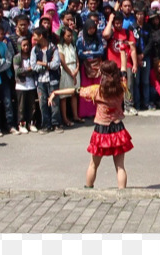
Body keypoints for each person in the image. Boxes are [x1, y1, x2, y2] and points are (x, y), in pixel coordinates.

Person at [49, 59, 134, 189]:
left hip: (101, 129)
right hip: (118, 128)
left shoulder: (96, 91)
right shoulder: (121, 87)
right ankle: (122, 192)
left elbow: (75, 91)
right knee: (120, 166)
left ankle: (88, 188)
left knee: (93, 164)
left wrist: (55, 92)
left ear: (103, 74)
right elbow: (123, 69)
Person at [103, 11, 138, 114]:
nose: (118, 25)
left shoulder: (128, 32)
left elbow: (133, 49)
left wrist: (135, 64)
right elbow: (105, 35)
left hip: (126, 63)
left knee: (128, 85)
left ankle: (129, 106)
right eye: (116, 23)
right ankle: (114, 106)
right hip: (113, 64)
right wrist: (110, 20)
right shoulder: (111, 32)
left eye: (120, 23)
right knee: (112, 86)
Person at [31, 27, 63, 133]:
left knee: (54, 102)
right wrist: (47, 66)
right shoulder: (35, 50)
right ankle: (46, 124)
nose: (33, 37)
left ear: (41, 36)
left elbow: (56, 64)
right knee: (42, 103)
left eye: (35, 35)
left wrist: (44, 64)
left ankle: (56, 124)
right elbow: (34, 66)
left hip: (53, 79)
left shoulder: (53, 48)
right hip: (40, 80)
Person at [77, 20, 106, 118]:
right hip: (86, 66)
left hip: (97, 66)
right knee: (86, 89)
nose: (92, 30)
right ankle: (86, 112)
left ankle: (98, 110)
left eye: (93, 28)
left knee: (98, 88)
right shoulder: (81, 40)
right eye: (90, 28)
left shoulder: (97, 38)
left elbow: (101, 51)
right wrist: (93, 53)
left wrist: (89, 53)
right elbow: (80, 53)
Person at [57, 27, 82, 127]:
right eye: (68, 36)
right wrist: (71, 73)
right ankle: (65, 118)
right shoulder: (60, 46)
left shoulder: (72, 45)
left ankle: (75, 116)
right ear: (63, 36)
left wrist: (76, 69)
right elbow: (62, 61)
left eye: (71, 35)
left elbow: (77, 59)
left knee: (74, 94)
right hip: (66, 71)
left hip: (74, 69)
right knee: (64, 96)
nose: (70, 37)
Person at [13, 36, 38, 133]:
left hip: (31, 83)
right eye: (24, 45)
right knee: (21, 106)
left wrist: (29, 70)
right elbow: (17, 71)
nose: (26, 47)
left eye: (27, 45)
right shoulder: (16, 57)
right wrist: (28, 69)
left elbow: (35, 69)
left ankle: (31, 123)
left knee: (32, 106)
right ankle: (21, 124)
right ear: (19, 46)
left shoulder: (32, 56)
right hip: (21, 85)